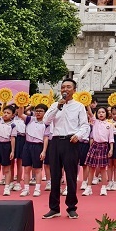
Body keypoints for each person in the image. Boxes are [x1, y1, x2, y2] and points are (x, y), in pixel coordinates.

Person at [42, 78, 91, 219]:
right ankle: (54, 208)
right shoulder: (55, 105)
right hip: (56, 141)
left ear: (74, 90)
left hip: (71, 141)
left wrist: (78, 135)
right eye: (63, 87)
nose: (65, 89)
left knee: (71, 175)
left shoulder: (79, 106)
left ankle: (71, 207)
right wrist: (57, 106)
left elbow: (85, 125)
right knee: (55, 175)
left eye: (68, 87)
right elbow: (46, 120)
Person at [20, 104, 49, 197]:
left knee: (37, 169)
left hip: (38, 146)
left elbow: (46, 138)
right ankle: (26, 189)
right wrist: (21, 104)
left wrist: (44, 151)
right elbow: (20, 114)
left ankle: (37, 189)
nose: (38, 113)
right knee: (27, 168)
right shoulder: (30, 119)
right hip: (27, 145)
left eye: (41, 111)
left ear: (45, 113)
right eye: (37, 111)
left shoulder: (46, 123)